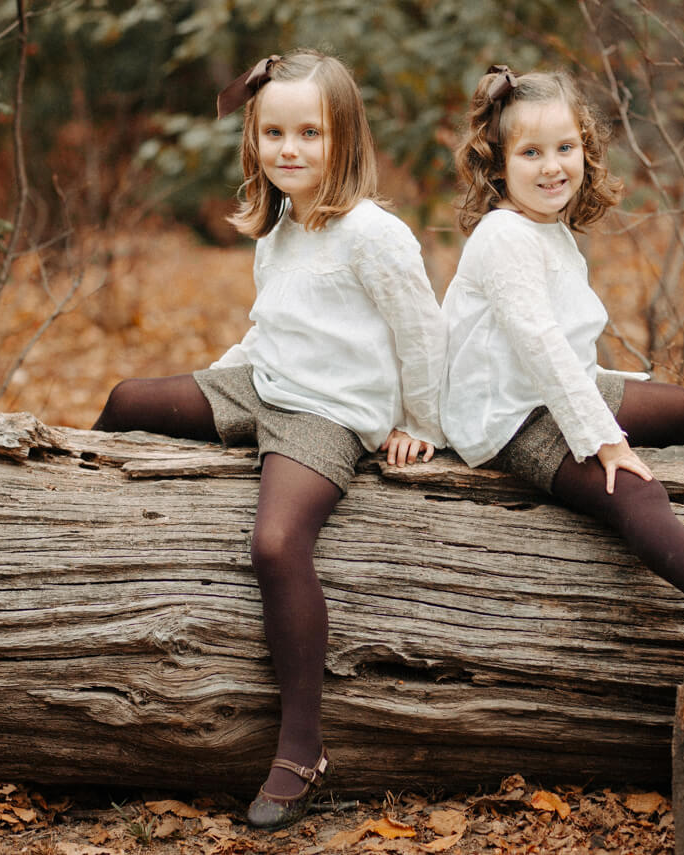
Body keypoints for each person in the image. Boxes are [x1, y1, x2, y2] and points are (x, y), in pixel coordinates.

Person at [91, 49, 445, 830]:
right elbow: (272, 327)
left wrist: (420, 423)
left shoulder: (374, 235)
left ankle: (302, 746)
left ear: (344, 136)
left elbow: (423, 334)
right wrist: (214, 385)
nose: (290, 149)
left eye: (309, 133)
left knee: (277, 542)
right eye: (274, 132)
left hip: (325, 412)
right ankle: (72, 537)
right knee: (126, 399)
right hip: (261, 383)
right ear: (254, 139)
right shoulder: (280, 223)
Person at [441, 65, 684, 602]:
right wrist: (606, 444)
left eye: (565, 147)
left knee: (678, 407)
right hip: (512, 416)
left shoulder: (546, 226)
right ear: (498, 163)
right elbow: (541, 347)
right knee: (637, 495)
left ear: (585, 148)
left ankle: (653, 510)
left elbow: (561, 352)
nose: (552, 168)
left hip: (556, 389)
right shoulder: (505, 237)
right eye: (531, 153)